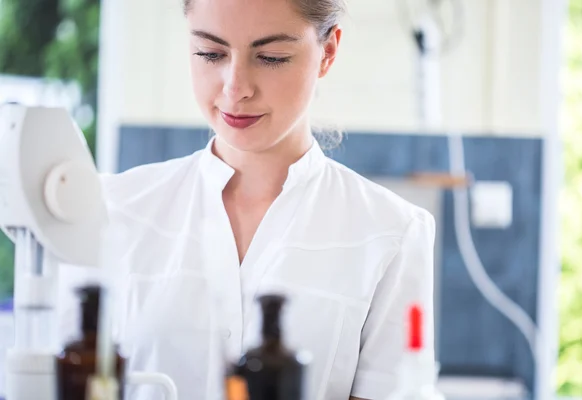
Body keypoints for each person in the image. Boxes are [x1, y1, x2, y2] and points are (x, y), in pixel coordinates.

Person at [60, 0, 436, 399]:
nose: (235, 88)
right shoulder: (113, 209)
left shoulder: (392, 232)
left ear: (327, 52)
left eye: (271, 57)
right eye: (210, 53)